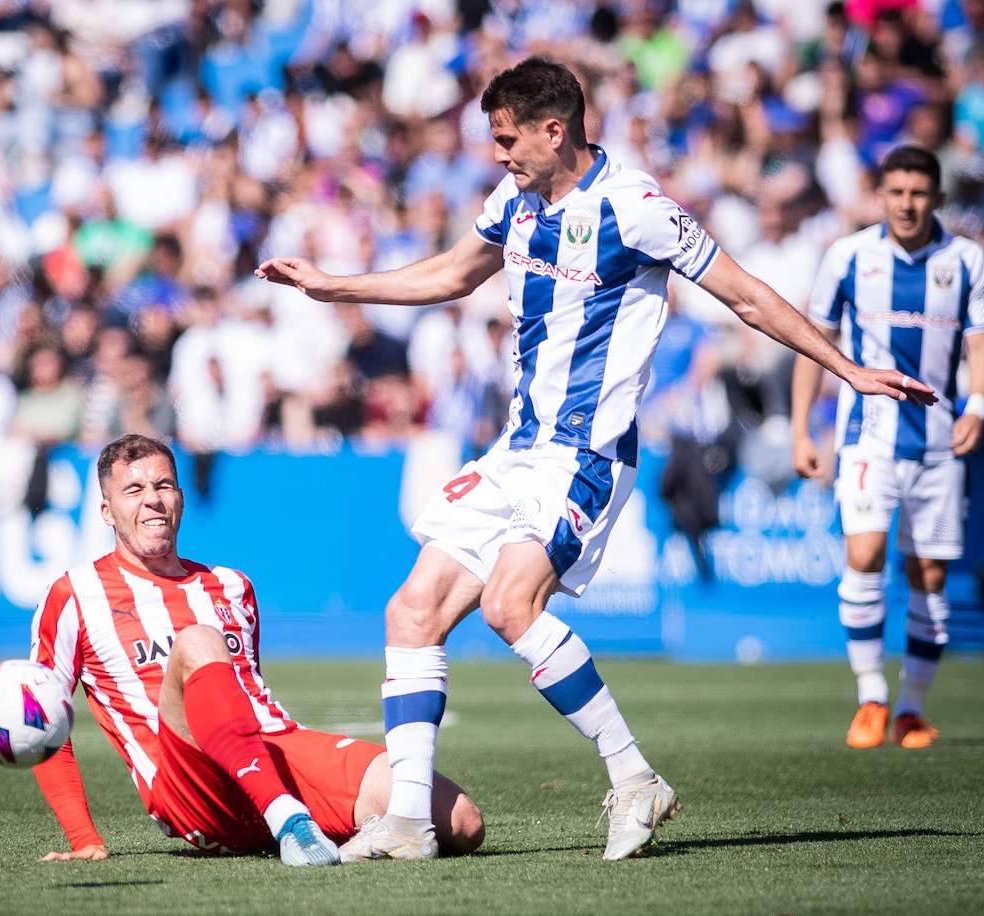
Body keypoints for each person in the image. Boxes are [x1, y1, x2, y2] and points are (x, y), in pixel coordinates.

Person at [256, 56, 933, 862]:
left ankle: (634, 777)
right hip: (518, 448)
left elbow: (746, 294)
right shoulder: (514, 198)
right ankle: (407, 820)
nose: (499, 155)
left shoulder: (636, 207)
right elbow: (451, 272)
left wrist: (848, 370)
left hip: (587, 452)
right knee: (411, 611)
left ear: (556, 128)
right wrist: (338, 288)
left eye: (509, 139)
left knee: (513, 606)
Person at [27, 434, 484, 865]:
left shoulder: (231, 585)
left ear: (181, 498)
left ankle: (315, 829)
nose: (152, 499)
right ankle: (290, 820)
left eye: (164, 484)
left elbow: (245, 697)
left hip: (272, 750)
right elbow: (43, 718)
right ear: (106, 511)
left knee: (460, 822)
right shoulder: (75, 594)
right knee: (198, 641)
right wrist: (84, 838)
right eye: (134, 489)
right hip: (189, 784)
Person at [791, 145, 984, 751]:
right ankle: (871, 699)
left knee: (928, 575)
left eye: (918, 193)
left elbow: (982, 345)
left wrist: (979, 407)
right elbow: (815, 340)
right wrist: (805, 427)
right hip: (866, 439)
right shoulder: (849, 255)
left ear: (936, 197)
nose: (907, 204)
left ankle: (912, 709)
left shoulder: (965, 260)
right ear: (881, 194)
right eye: (897, 192)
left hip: (938, 443)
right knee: (865, 555)